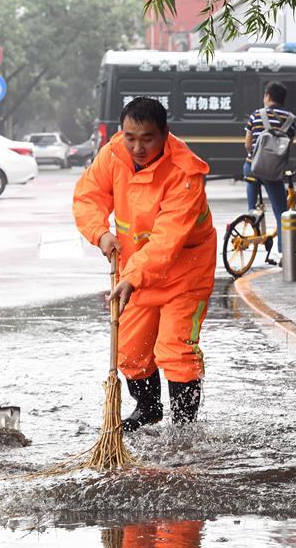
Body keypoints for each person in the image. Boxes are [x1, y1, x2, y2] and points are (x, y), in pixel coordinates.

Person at [73, 97, 217, 431]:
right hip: (137, 269)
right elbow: (88, 196)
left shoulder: (185, 174)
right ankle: (149, 408)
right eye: (130, 137)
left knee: (175, 349)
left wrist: (133, 275)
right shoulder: (113, 154)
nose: (137, 147)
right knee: (131, 350)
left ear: (165, 134)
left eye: (147, 139)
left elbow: (167, 240)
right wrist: (100, 234)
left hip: (186, 271)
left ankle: (184, 428)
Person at [244, 81, 296, 263]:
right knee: (282, 213)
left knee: (250, 173)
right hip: (274, 173)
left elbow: (247, 144)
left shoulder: (256, 115)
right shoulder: (291, 120)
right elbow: (287, 147)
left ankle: (252, 212)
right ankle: (282, 254)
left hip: (254, 167)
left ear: (267, 96)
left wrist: (254, 155)